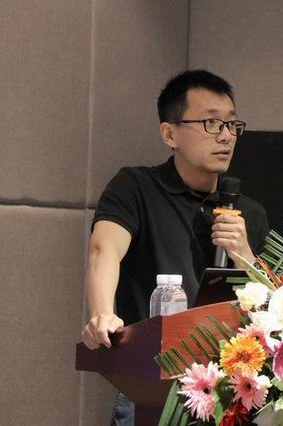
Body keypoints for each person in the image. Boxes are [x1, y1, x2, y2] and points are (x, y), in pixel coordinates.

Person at [80, 70, 269, 424]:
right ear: (170, 134)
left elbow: (270, 303)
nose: (225, 136)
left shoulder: (250, 212)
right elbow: (104, 250)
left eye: (231, 125)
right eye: (211, 123)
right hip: (152, 386)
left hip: (229, 391)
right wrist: (102, 314)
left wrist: (243, 254)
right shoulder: (136, 187)